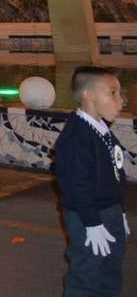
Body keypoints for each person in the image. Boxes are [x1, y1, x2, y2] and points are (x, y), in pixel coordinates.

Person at [56, 66, 128, 296]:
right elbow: (76, 185)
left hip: (110, 211)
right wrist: (92, 223)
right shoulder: (76, 137)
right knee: (85, 276)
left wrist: (120, 211)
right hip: (89, 215)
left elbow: (115, 173)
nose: (121, 101)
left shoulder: (101, 129)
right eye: (113, 93)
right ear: (89, 95)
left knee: (110, 272)